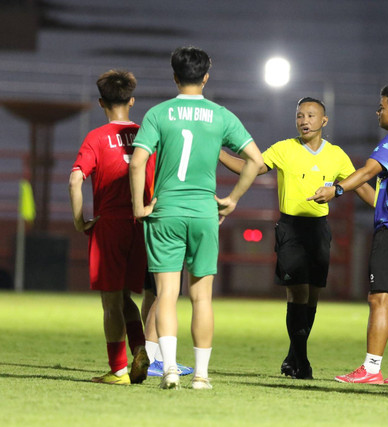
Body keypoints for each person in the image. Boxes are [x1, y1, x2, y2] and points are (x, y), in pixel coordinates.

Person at [129, 46, 264, 390]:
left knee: (166, 294)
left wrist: (138, 206)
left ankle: (170, 368)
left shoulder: (158, 114)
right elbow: (255, 160)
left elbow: (137, 162)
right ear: (206, 76)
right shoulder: (221, 115)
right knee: (202, 297)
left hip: (166, 212)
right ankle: (202, 376)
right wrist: (232, 198)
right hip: (204, 212)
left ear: (174, 76)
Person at [219, 97, 374, 379]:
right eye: (300, 115)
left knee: (313, 296)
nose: (304, 120)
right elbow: (249, 168)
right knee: (298, 293)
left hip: (319, 229)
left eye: (311, 115)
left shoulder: (336, 154)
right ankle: (302, 362)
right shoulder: (283, 148)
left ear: (324, 121)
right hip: (291, 229)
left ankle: (294, 358)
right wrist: (217, 151)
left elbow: (361, 186)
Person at [308, 86, 388, 384]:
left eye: (382, 107)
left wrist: (336, 189)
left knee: (378, 300)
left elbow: (368, 171)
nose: (378, 112)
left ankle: (372, 368)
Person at [69, 69, 152, 385]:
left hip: (110, 225)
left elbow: (75, 179)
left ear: (101, 101)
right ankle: (140, 349)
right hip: (142, 225)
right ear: (131, 100)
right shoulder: (148, 134)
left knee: (110, 302)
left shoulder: (96, 138)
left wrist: (80, 221)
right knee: (124, 298)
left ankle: (118, 370)